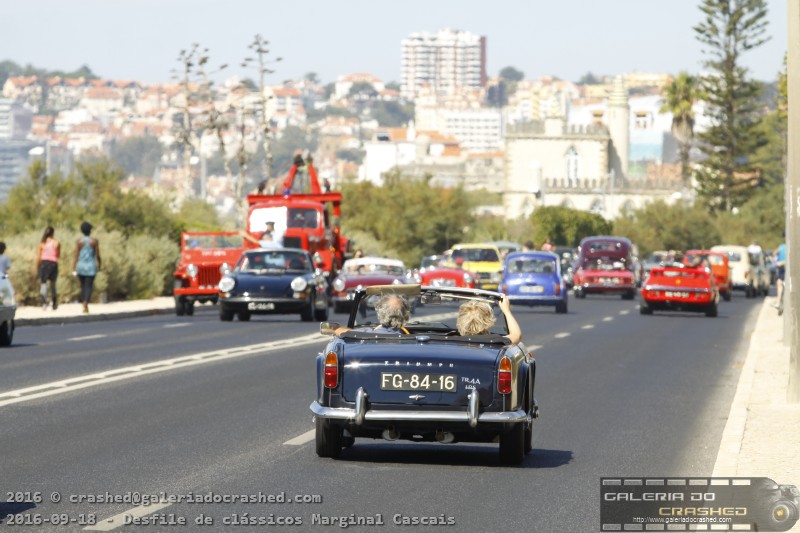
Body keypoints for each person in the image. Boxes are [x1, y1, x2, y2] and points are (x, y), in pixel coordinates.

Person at [456, 295, 522, 344]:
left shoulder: (452, 341)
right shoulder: (495, 341)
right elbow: (516, 335)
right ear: (488, 321)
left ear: (460, 321)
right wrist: (507, 311)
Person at [336, 294, 410, 335]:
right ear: (405, 316)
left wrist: (332, 329)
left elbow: (342, 332)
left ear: (380, 314)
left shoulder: (367, 334)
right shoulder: (411, 337)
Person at [73, 221, 101, 314]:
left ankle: (83, 301)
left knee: (82, 285)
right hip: (91, 266)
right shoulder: (94, 241)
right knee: (89, 286)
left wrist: (73, 268)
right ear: (90, 231)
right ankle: (86, 302)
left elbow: (76, 256)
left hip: (80, 266)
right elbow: (97, 255)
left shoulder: (79, 242)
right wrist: (99, 264)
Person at [36, 226, 60, 310]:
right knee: (53, 284)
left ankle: (44, 303)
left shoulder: (42, 243)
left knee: (43, 284)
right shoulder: (56, 243)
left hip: (44, 263)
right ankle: (54, 303)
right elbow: (57, 255)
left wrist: (37, 267)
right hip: (53, 264)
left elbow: (39, 257)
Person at [772, 239, 787, 315]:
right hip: (788, 265)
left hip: (781, 265)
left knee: (779, 283)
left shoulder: (781, 247)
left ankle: (778, 301)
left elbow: (774, 253)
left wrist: (776, 260)